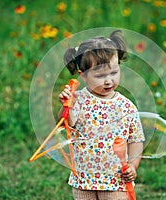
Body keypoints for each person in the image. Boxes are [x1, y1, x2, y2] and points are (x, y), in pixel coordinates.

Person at [58, 30, 145, 200]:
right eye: (100, 75)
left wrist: (133, 165)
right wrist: (66, 106)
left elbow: (136, 139)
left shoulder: (126, 107)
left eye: (113, 73)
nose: (108, 80)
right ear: (83, 76)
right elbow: (65, 124)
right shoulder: (79, 100)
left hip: (115, 179)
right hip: (84, 179)